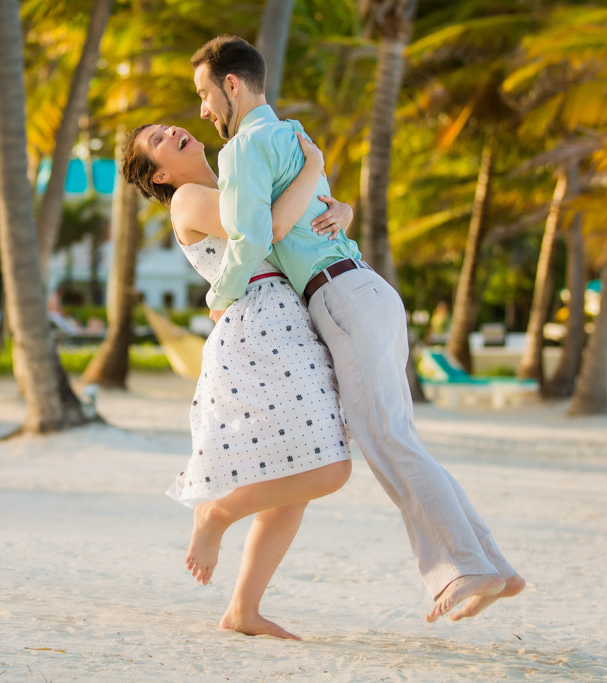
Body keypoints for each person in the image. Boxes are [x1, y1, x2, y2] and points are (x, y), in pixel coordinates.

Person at [190, 35, 525, 623]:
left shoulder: (241, 150)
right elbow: (325, 211)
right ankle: (490, 565)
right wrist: (334, 195)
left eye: (204, 95)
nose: (203, 111)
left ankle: (466, 568)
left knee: (388, 441)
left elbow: (252, 241)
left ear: (232, 86)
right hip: (369, 290)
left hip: (339, 296)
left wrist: (217, 297)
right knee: (400, 438)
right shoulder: (295, 137)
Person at [121, 120, 355, 640]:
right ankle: (216, 516)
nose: (172, 130)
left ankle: (243, 610)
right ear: (159, 174)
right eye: (157, 141)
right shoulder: (187, 200)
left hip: (293, 320)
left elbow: (302, 216)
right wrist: (314, 167)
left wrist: (341, 209)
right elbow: (266, 225)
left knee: (296, 482)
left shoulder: (237, 174)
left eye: (166, 126)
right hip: (258, 329)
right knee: (331, 468)